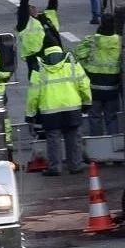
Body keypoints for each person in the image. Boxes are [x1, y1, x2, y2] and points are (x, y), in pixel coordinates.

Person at [25, 45, 91, 176]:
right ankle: (75, 165)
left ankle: (55, 168)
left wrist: (30, 113)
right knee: (73, 137)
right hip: (72, 107)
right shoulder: (72, 62)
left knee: (53, 139)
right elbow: (84, 84)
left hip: (50, 110)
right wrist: (87, 101)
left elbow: (33, 94)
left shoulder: (39, 67)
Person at [75, 16, 121, 135]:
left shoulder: (91, 40)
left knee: (94, 117)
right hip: (112, 86)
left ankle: (97, 143)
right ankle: (114, 144)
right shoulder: (119, 42)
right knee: (112, 117)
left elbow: (79, 55)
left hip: (93, 86)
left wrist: (87, 67)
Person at [15, 0, 61, 75]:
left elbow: (53, 4)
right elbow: (23, 5)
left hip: (55, 55)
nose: (33, 7)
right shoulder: (25, 23)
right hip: (35, 59)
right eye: (30, 7)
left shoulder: (47, 16)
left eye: (33, 6)